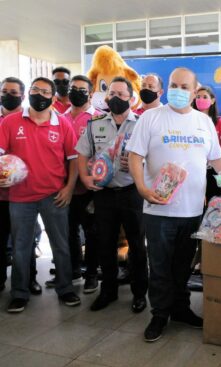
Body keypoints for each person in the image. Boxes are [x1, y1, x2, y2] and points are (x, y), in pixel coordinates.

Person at [127, 67, 221, 342]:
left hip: (193, 210)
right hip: (158, 208)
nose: (178, 91)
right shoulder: (151, 117)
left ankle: (181, 308)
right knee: (159, 265)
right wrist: (141, 187)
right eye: (174, 85)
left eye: (185, 87)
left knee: (183, 265)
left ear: (195, 93)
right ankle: (159, 313)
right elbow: (135, 156)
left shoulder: (204, 123)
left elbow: (217, 160)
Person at [0, 77, 81, 312]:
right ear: (28, 94)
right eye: (35, 89)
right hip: (20, 197)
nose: (40, 95)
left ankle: (65, 289)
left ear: (53, 98)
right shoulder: (10, 122)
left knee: (61, 245)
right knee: (21, 247)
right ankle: (19, 293)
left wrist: (68, 188)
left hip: (54, 195)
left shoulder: (62, 124)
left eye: (45, 92)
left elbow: (74, 160)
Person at [76, 76, 148, 313]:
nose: (116, 98)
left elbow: (154, 157)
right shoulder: (95, 123)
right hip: (103, 193)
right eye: (112, 94)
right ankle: (108, 291)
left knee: (137, 245)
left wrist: (140, 164)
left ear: (131, 98)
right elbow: (83, 154)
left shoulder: (142, 124)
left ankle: (139, 293)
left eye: (121, 94)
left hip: (132, 191)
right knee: (104, 243)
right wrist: (85, 178)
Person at [45, 75, 101, 293]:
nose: (76, 92)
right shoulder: (59, 118)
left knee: (93, 232)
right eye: (73, 88)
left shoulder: (98, 118)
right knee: (67, 231)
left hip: (89, 188)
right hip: (65, 186)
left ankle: (92, 275)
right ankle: (72, 270)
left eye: (81, 89)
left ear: (91, 93)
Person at [0, 77, 42, 295]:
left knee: (24, 242)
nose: (9, 95)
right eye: (5, 91)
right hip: (0, 195)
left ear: (23, 96)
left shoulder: (29, 119)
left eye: (14, 92)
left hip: (23, 194)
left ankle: (29, 280)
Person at [193, 86, 221, 201]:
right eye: (198, 97)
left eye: (205, 97)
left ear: (213, 100)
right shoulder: (190, 120)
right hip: (195, 169)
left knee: (214, 202)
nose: (201, 99)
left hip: (214, 170)